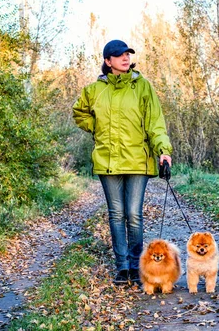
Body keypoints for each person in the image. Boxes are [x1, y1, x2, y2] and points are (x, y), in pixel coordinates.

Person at [73, 39, 173, 284]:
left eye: (127, 54)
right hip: (108, 160)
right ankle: (122, 268)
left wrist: (163, 150)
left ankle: (137, 265)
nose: (125, 58)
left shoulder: (143, 87)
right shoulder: (93, 90)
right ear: (108, 61)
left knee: (133, 214)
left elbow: (155, 122)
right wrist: (96, 127)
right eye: (119, 55)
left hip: (138, 159)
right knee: (116, 214)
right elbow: (79, 112)